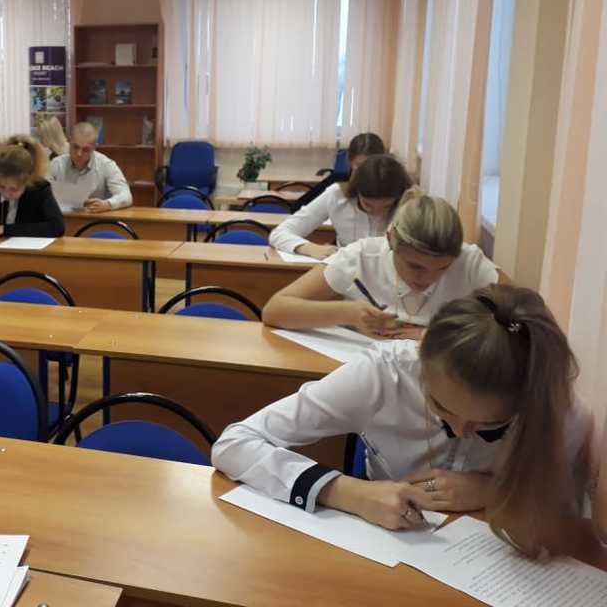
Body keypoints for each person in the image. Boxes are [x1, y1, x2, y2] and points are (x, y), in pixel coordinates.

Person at [215, 285, 593, 558]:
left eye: (491, 425)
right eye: (440, 406)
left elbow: (570, 513)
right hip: (384, 547)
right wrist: (347, 492)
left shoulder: (560, 412)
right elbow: (234, 443)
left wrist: (493, 491)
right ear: (422, 361)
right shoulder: (385, 374)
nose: (460, 431)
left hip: (492, 566)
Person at [262, 190, 504, 339]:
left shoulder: (469, 261)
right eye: (415, 266)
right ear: (390, 240)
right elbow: (275, 310)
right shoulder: (362, 256)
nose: (428, 278)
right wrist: (350, 313)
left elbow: (523, 319)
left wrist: (436, 336)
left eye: (443, 268)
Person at [270, 154, 414, 260]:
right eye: (367, 205)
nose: (376, 212)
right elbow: (279, 233)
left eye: (386, 206)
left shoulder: (409, 205)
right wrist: (310, 248)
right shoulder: (337, 195)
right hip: (345, 276)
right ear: (356, 191)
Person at [48, 122, 132, 212]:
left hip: (95, 218)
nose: (79, 154)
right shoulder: (56, 164)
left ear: (94, 147)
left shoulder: (106, 165)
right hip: (63, 217)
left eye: (85, 150)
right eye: (75, 147)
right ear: (69, 142)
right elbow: (42, 194)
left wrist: (108, 204)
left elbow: (126, 196)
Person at [293, 132, 387, 211]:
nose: (366, 171)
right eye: (360, 165)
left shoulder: (389, 188)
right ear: (350, 161)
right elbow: (298, 208)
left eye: (372, 165)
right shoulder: (336, 183)